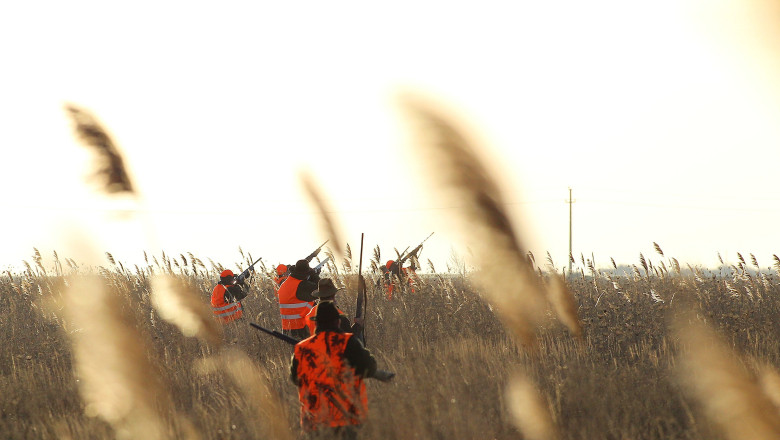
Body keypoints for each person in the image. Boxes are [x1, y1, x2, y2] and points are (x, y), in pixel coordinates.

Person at [290, 301, 378, 439]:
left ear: (316, 324)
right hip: (347, 419)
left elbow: (295, 379)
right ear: (337, 322)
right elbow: (370, 367)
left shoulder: (302, 348)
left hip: (314, 422)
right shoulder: (348, 343)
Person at [276, 259, 321, 340]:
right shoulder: (301, 285)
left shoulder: (286, 284)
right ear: (305, 274)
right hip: (301, 329)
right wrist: (315, 275)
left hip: (287, 330)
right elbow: (321, 290)